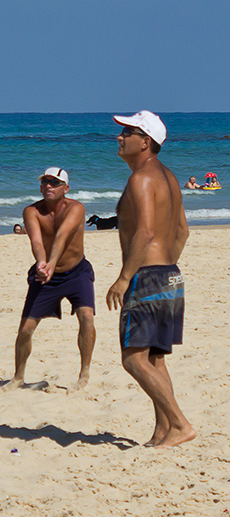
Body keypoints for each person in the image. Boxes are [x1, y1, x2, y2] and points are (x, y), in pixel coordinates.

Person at [106, 111, 195, 448]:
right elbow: (182, 231)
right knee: (154, 359)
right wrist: (166, 267)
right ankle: (163, 431)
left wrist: (124, 277)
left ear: (146, 142)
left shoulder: (141, 179)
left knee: (133, 359)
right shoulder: (169, 177)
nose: (119, 137)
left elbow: (144, 231)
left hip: (147, 275)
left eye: (127, 132)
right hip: (169, 274)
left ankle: (180, 424)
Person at [6, 168, 96, 391]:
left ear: (65, 188)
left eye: (55, 183)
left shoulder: (76, 208)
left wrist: (51, 262)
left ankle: (84, 372)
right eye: (45, 182)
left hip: (76, 271)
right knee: (25, 329)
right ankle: (18, 377)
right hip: (46, 274)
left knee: (86, 316)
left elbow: (62, 237)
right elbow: (37, 241)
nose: (48, 186)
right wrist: (41, 263)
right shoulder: (31, 211)